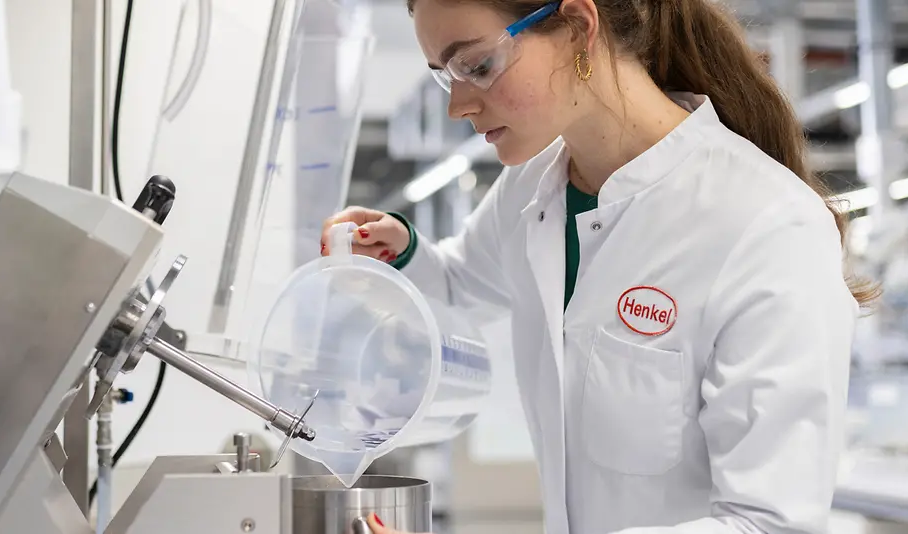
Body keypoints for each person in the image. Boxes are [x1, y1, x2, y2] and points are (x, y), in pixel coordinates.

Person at [321, 0, 878, 533]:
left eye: (477, 65)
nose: (458, 105)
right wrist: (400, 251)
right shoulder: (529, 189)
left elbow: (767, 524)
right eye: (446, 74)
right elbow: (462, 280)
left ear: (578, 26)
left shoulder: (766, 224)